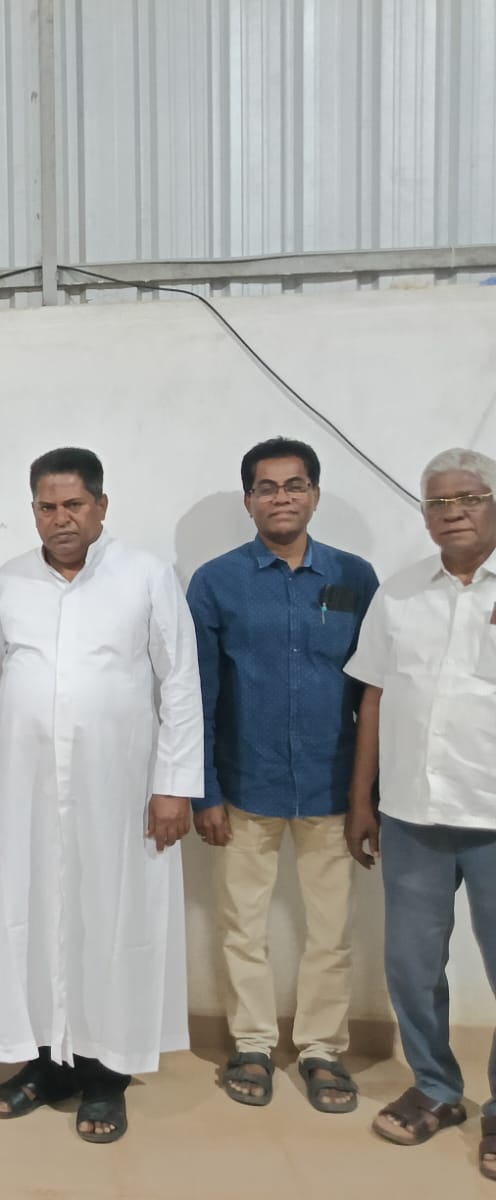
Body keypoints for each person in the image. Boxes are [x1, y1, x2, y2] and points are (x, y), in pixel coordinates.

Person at [0, 447, 202, 1143]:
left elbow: (181, 683)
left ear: (101, 506)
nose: (60, 518)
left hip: (121, 790)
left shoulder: (146, 575)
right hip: (26, 791)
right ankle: (46, 1064)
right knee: (32, 918)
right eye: (46, 506)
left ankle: (105, 1076)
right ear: (33, 511)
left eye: (73, 504)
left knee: (111, 921)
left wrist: (175, 787)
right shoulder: (11, 581)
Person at [186, 438, 377, 1111]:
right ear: (248, 500)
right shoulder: (215, 582)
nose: (282, 498)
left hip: (333, 789)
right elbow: (200, 695)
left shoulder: (355, 577)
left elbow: (373, 693)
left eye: (295, 485)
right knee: (243, 924)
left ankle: (323, 1049)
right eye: (266, 487)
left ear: (315, 495)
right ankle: (255, 1045)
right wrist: (204, 792)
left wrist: (368, 796)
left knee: (331, 930)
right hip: (245, 789)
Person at [344, 448, 496, 1182]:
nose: (453, 511)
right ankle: (437, 1087)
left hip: (495, 819)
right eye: (438, 502)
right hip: (411, 816)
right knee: (410, 966)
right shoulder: (399, 594)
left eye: (469, 497)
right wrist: (361, 799)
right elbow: (372, 696)